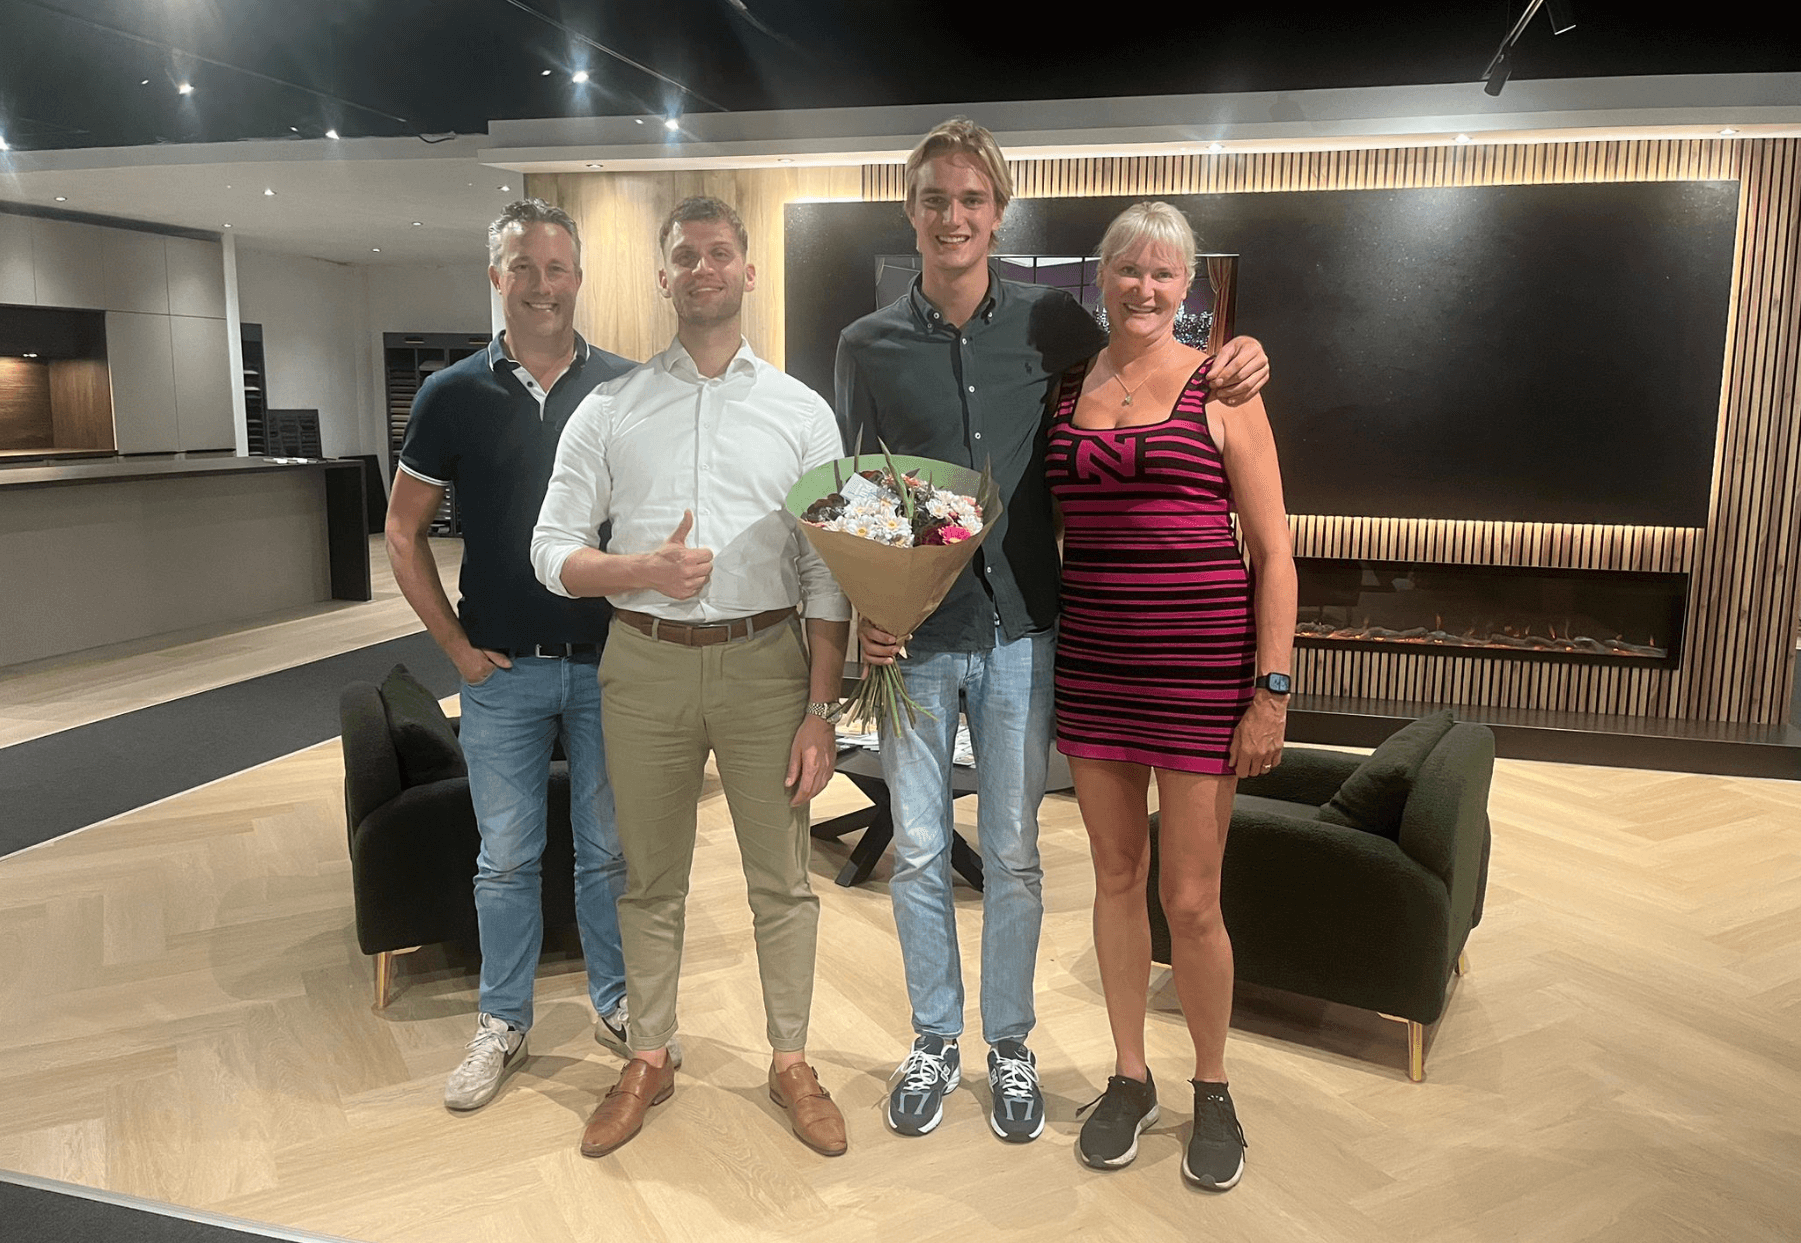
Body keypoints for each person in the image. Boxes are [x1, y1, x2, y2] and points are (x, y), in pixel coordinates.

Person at [833, 119, 1272, 1144]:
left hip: (1029, 631)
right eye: (935, 199)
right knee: (917, 852)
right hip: (918, 637)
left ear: (998, 213)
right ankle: (933, 1037)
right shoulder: (864, 344)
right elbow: (859, 491)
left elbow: (1151, 352)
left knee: (1018, 852)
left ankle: (1010, 1044)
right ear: (911, 210)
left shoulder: (1053, 323)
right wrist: (866, 615)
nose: (953, 217)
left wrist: (1242, 352)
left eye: (971, 200)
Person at [530, 195, 853, 1159]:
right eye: (684, 255)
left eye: (719, 253)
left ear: (747, 271)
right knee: (649, 880)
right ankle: (649, 1055)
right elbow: (549, 549)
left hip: (768, 667)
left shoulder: (801, 412)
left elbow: (826, 571)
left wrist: (820, 709)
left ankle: (791, 1060)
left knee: (782, 882)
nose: (702, 268)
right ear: (661, 277)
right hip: (644, 666)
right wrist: (639, 569)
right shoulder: (611, 408)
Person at [1049, 201, 1295, 1191]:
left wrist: (1270, 692)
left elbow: (1274, 552)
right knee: (1115, 877)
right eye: (1128, 269)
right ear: (1101, 278)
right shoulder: (1066, 386)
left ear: (1187, 286)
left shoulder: (1222, 385)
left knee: (1190, 901)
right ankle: (1128, 1074)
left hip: (1201, 676)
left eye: (1163, 273)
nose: (1144, 288)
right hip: (1094, 667)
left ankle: (1212, 1084)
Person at [387, 199, 651, 1113]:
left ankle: (617, 1003)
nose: (543, 284)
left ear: (579, 276)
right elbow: (401, 531)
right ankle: (502, 1021)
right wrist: (455, 648)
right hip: (499, 672)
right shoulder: (450, 393)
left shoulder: (625, 388)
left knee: (607, 852)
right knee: (504, 859)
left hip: (610, 666)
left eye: (557, 267)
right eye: (524, 267)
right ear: (497, 276)